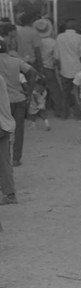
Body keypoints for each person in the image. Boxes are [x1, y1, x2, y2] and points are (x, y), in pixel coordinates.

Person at [0, 39, 37, 167]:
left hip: (2, 102)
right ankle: (16, 158)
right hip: (18, 99)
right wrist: (29, 91)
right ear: (6, 48)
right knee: (19, 129)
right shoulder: (15, 61)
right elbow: (33, 72)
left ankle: (5, 157)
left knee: (3, 130)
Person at [54, 18, 81, 119]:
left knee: (65, 94)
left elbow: (56, 56)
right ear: (75, 27)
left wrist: (58, 68)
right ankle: (78, 114)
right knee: (79, 93)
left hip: (65, 70)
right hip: (78, 69)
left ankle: (64, 114)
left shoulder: (59, 37)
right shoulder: (79, 37)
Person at [32, 18, 64, 118]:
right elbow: (56, 58)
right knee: (55, 90)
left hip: (37, 68)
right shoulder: (53, 42)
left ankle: (35, 111)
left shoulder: (35, 41)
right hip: (49, 68)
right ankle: (59, 110)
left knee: (37, 90)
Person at [0, 73, 17, 205]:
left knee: (4, 162)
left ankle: (9, 193)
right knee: (5, 160)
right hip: (4, 124)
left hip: (1, 124)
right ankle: (9, 192)